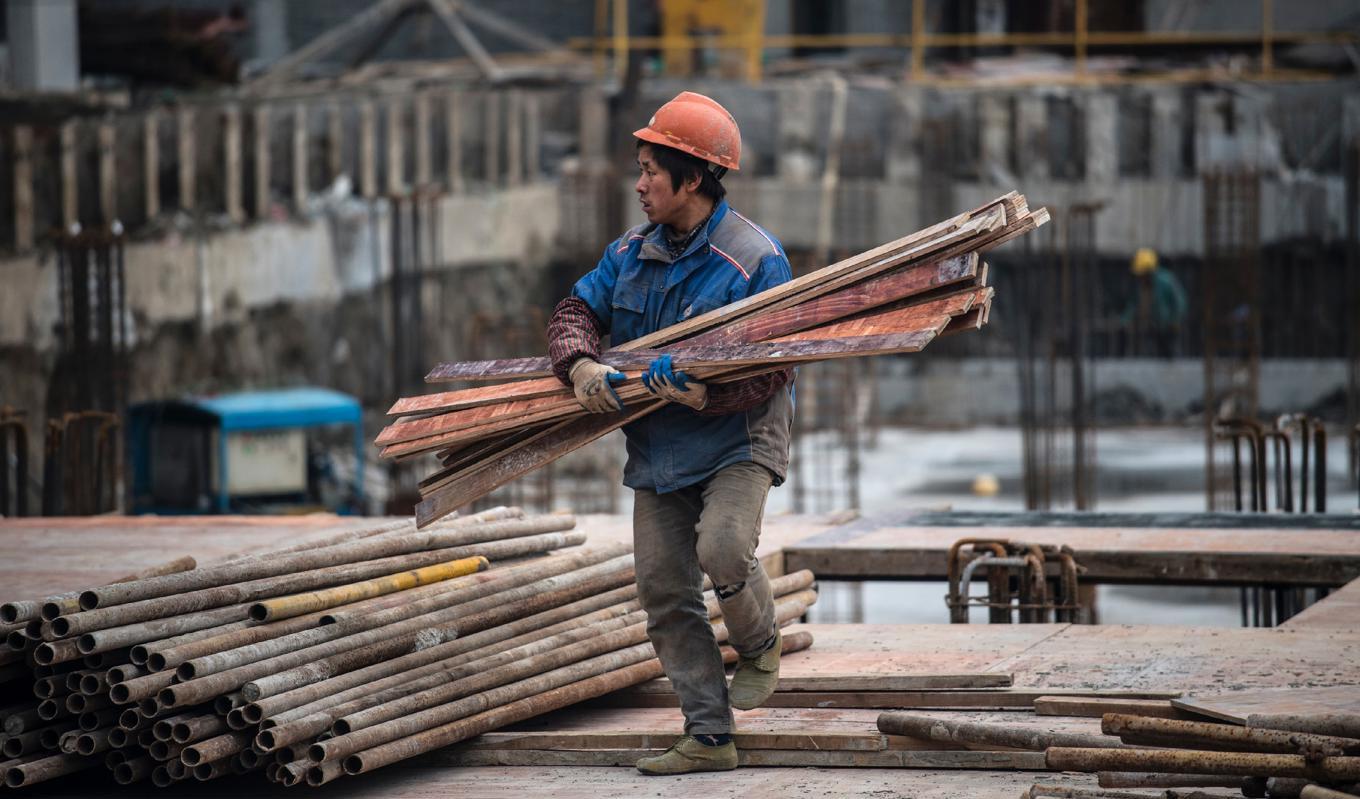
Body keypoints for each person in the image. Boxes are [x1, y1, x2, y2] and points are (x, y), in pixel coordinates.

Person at [546, 91, 795, 775]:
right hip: (659, 447)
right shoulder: (629, 253)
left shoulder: (754, 261)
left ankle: (762, 637)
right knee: (662, 587)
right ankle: (710, 737)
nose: (640, 183)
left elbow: (776, 367)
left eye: (653, 169)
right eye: (640, 167)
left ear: (693, 178)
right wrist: (581, 363)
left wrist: (709, 392)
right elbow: (575, 309)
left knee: (722, 546)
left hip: (739, 435)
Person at [1123, 247, 1188, 357]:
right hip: (1152, 326)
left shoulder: (1166, 281)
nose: (1140, 276)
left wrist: (1175, 320)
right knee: (1152, 355)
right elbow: (1134, 305)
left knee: (1169, 355)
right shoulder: (1142, 286)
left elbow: (1179, 302)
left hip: (1168, 327)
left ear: (1148, 271)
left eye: (1141, 273)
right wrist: (1125, 320)